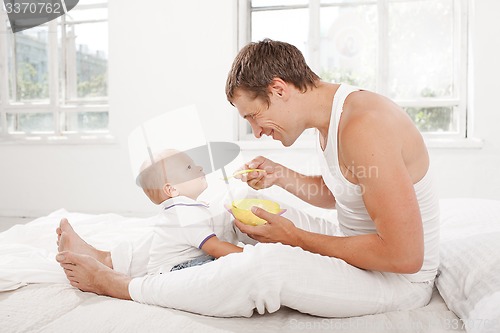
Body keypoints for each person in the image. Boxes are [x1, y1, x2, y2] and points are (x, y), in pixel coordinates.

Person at [56, 39, 440, 318]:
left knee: (266, 266)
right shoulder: (334, 120)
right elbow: (345, 193)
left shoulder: (365, 126)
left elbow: (404, 257)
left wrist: (296, 240)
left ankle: (120, 284)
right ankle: (122, 256)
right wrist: (282, 176)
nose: (257, 132)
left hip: (397, 280)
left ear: (278, 89)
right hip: (359, 248)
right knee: (247, 203)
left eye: (254, 116)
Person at [57, 149, 243, 278]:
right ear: (171, 189)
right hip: (172, 272)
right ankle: (101, 261)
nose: (200, 167)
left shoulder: (184, 209)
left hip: (167, 265)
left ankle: (101, 258)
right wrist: (250, 254)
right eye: (189, 167)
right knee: (223, 269)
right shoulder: (185, 213)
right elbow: (215, 247)